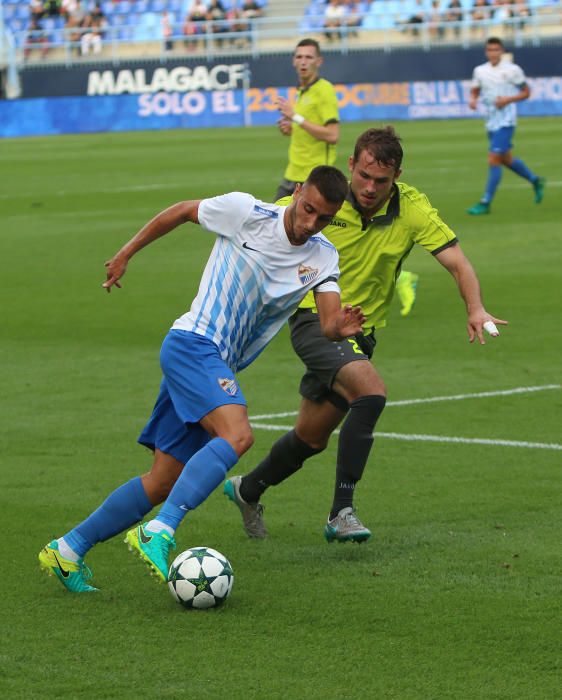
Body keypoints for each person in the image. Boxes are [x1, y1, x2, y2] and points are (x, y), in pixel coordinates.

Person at [38, 166, 365, 593]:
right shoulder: (245, 212)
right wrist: (126, 253)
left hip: (215, 364)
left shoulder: (322, 256)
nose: (310, 223)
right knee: (238, 435)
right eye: (307, 209)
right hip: (193, 344)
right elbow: (180, 211)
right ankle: (160, 531)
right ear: (298, 192)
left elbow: (326, 321)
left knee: (162, 480)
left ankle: (67, 550)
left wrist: (339, 329)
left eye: (323, 218)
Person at [224, 126, 507, 543]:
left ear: (397, 176)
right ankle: (342, 512)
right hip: (315, 320)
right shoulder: (325, 201)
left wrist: (475, 307)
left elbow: (458, 263)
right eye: (364, 176)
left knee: (311, 437)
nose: (371, 188)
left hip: (363, 333)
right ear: (351, 164)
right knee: (371, 393)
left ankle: (247, 490)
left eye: (382, 180)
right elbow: (268, 220)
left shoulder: (412, 208)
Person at [467, 37, 545, 215]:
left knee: (494, 158)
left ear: (501, 51)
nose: (493, 53)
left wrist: (508, 99)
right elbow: (475, 89)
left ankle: (485, 202)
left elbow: (526, 92)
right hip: (491, 121)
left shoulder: (513, 70)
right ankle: (535, 180)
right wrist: (472, 99)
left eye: (496, 49)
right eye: (489, 49)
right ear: (486, 52)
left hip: (507, 120)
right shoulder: (480, 70)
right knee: (506, 159)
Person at [274, 38, 339, 201]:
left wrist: (294, 116)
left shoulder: (324, 90)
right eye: (299, 57)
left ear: (319, 61)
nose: (303, 62)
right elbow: (306, 124)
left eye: (308, 57)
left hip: (314, 177)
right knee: (274, 223)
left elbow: (332, 135)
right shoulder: (301, 91)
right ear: (293, 61)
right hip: (292, 173)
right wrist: (290, 127)